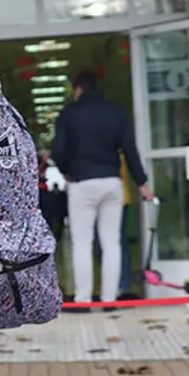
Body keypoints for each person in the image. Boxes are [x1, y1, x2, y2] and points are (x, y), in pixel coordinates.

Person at [51, 71, 152, 309]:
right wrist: (142, 183)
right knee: (111, 242)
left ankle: (83, 300)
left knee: (82, 242)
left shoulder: (69, 114)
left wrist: (67, 170)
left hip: (81, 183)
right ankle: (109, 299)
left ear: (78, 89)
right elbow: (130, 150)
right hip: (111, 182)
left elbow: (58, 150)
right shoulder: (115, 113)